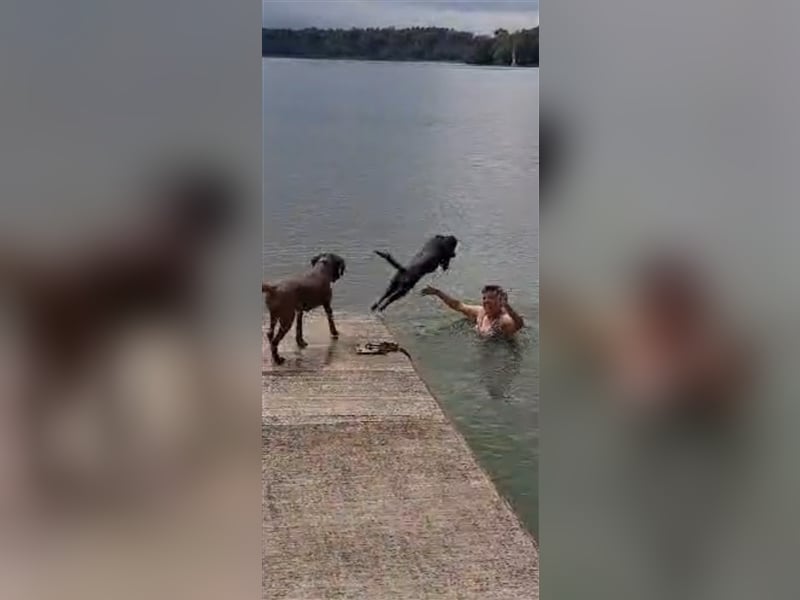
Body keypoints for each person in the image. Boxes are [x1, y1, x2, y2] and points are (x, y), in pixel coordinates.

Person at [421, 284, 524, 338]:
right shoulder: (480, 312)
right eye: (484, 298)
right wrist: (437, 293)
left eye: (491, 298)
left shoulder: (503, 320)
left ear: (501, 302)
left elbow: (518, 324)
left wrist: (508, 307)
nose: (486, 301)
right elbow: (458, 305)